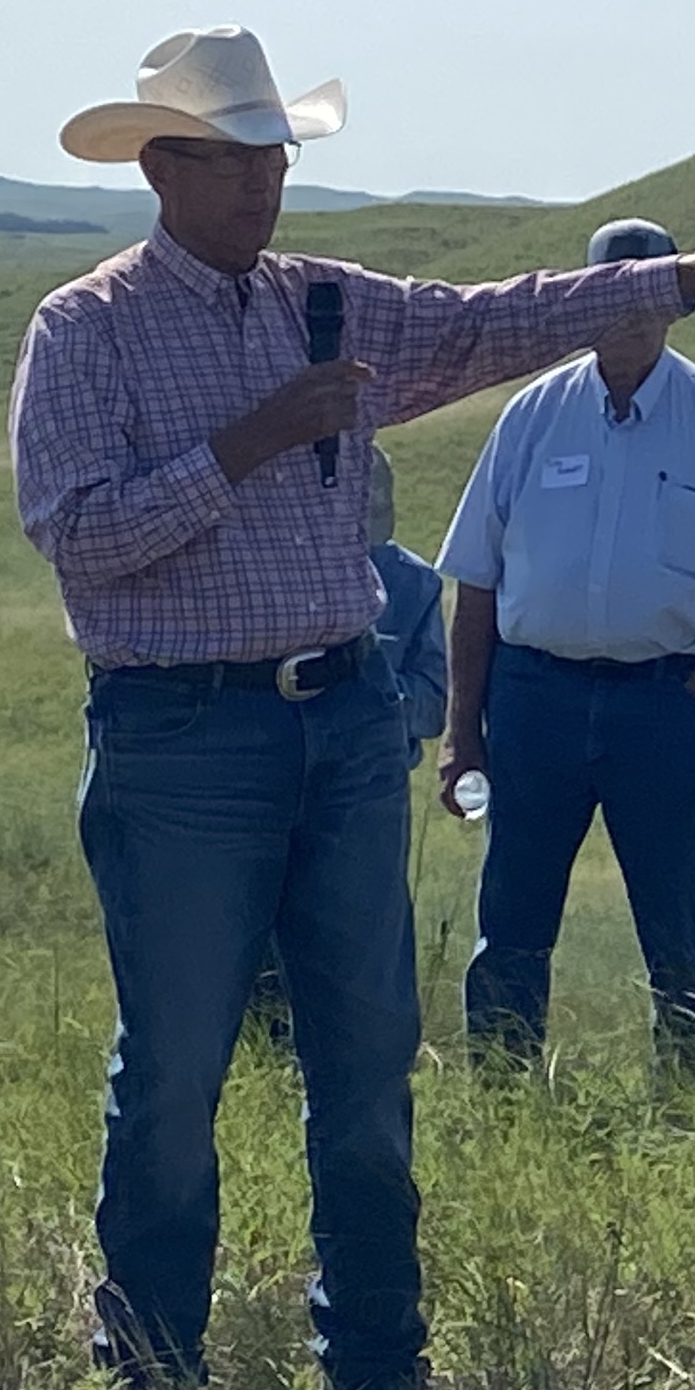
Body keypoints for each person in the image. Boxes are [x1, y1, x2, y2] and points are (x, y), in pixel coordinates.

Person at [8, 26, 695, 1390]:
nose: (268, 187)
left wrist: (691, 275)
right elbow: (77, 537)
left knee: (369, 1051)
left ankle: (383, 1380)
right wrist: (251, 444)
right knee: (177, 1067)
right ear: (161, 167)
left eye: (280, 158)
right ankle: (154, 1386)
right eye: (237, 163)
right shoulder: (84, 331)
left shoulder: (325, 303)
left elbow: (489, 320)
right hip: (183, 740)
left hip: (339, 726)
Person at [442, 216, 695, 1069]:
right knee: (513, 916)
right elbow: (477, 580)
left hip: (662, 704)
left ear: (676, 305)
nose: (629, 313)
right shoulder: (532, 416)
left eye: (647, 294)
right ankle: (501, 1089)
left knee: (677, 918)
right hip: (536, 699)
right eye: (611, 294)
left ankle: (691, 1095)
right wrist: (464, 732)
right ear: (581, 301)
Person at [242, 446, 447, 1047]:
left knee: (358, 935)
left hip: (369, 786)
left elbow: (433, 704)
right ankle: (260, 1047)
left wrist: (366, 697)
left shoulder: (415, 584)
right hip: (272, 772)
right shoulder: (277, 570)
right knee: (259, 924)